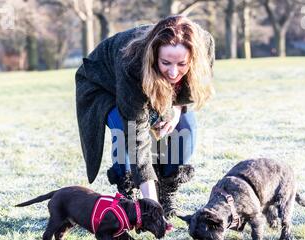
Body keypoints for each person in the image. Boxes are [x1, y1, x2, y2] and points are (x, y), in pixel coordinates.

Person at [76, 15, 214, 218]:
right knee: (124, 132)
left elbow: (190, 89)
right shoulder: (132, 60)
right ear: (154, 56)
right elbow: (136, 134)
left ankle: (167, 189)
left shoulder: (205, 44)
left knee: (185, 128)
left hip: (152, 85)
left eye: (182, 64)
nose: (174, 72)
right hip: (104, 85)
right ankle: (129, 193)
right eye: (166, 62)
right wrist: (151, 202)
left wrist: (176, 110)